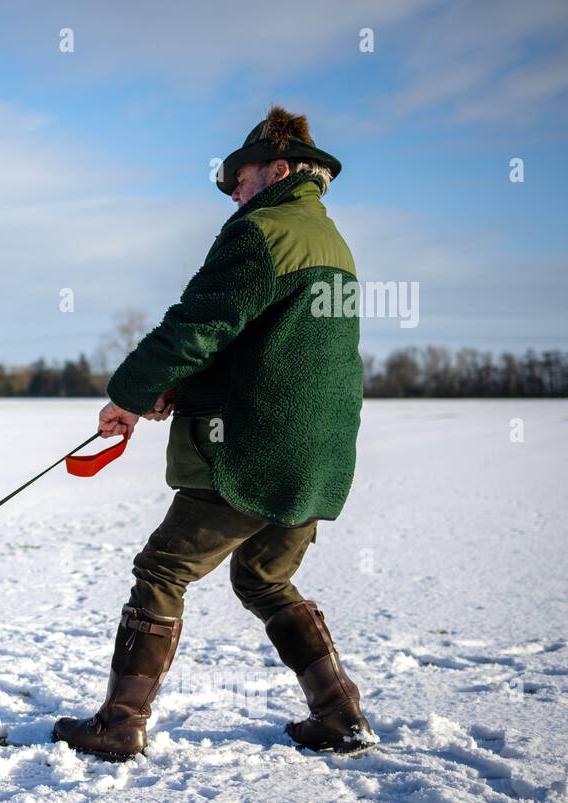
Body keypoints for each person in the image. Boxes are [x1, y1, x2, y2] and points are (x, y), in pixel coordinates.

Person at [52, 105, 378, 760]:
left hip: (253, 451)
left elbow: (196, 326)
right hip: (318, 456)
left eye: (241, 177)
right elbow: (270, 351)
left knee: (162, 569)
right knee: (262, 577)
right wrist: (186, 388)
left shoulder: (262, 232)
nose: (232, 191)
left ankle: (119, 724)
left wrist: (129, 393)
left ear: (278, 171)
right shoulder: (333, 243)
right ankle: (340, 714)